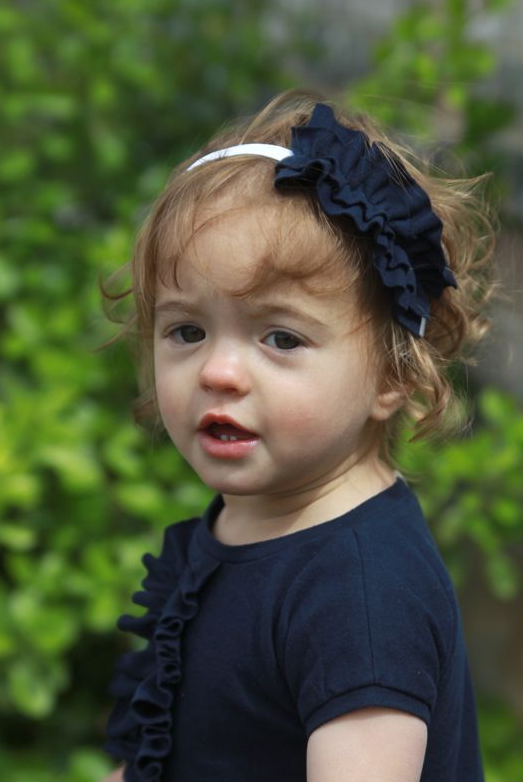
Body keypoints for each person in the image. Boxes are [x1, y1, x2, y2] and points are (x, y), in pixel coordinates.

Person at [101, 91, 494, 782]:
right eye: (186, 331)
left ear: (392, 371)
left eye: (280, 337)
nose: (218, 371)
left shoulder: (362, 599)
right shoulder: (254, 518)